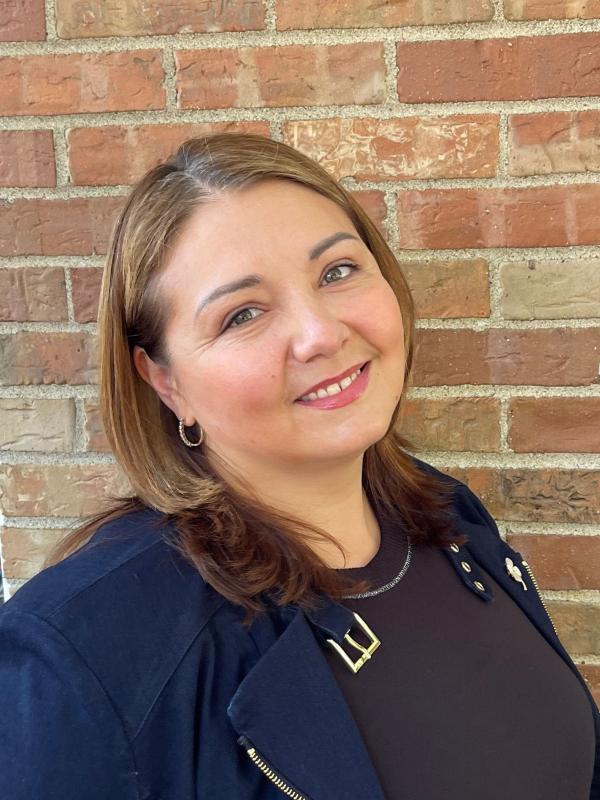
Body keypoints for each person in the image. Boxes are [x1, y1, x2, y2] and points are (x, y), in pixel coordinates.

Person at [0, 132, 597, 800]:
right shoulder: (88, 653)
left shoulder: (451, 517)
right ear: (165, 382)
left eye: (337, 271)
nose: (320, 334)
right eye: (243, 314)